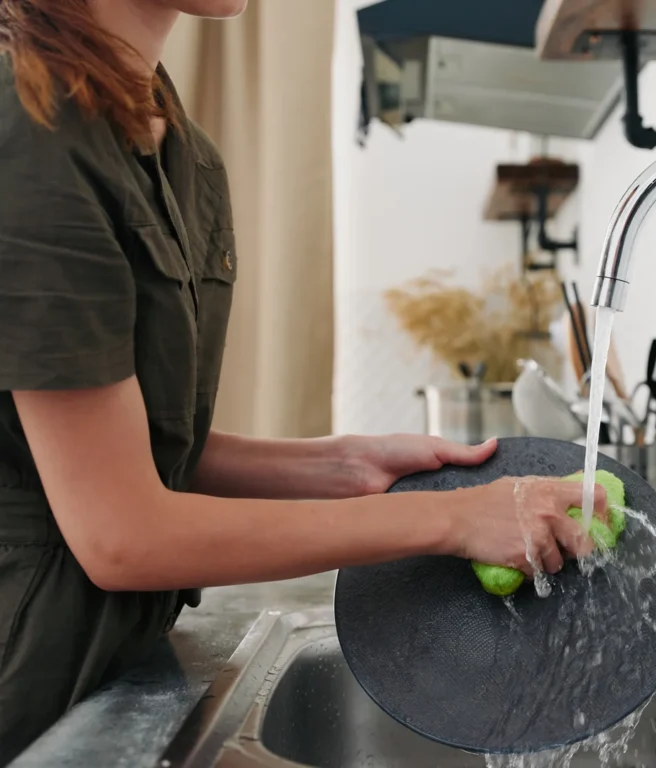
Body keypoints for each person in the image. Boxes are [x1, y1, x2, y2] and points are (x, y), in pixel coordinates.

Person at [0, 0, 608, 761]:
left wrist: (337, 465)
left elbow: (139, 448)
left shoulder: (175, 145)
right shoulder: (29, 130)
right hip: (27, 691)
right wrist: (454, 520)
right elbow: (122, 534)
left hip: (111, 674)